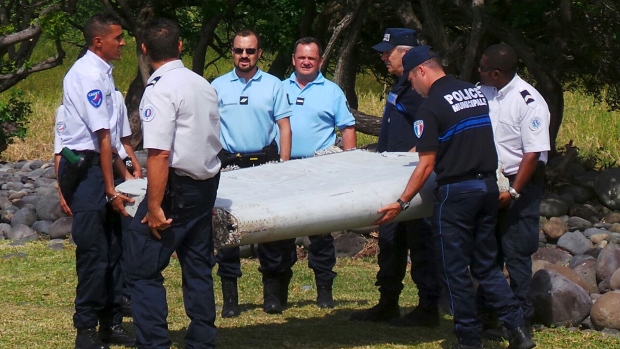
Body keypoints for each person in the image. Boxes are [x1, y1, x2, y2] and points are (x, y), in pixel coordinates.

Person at [375, 45, 536, 349]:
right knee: (487, 267)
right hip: (488, 188)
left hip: (456, 195)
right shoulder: (474, 93)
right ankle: (518, 330)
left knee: (454, 271)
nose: (414, 88)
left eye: (411, 80)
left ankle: (468, 339)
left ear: (421, 70)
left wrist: (401, 202)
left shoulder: (430, 106)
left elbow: (426, 165)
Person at [123, 18, 222, 348]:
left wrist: (153, 206)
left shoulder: (159, 89)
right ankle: (202, 340)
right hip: (205, 185)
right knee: (197, 266)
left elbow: (160, 154)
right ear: (181, 46)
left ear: (144, 50)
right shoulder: (203, 84)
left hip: (175, 190)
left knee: (140, 267)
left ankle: (153, 342)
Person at [349, 28, 441, 327]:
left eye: (389, 52)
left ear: (408, 52)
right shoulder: (402, 86)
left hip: (411, 180)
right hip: (390, 180)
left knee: (420, 244)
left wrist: (410, 159)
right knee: (390, 244)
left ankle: (427, 307)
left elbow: (430, 132)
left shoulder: (418, 89)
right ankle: (387, 302)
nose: (384, 58)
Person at [55, 13, 135, 349]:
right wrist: (108, 188)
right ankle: (85, 329)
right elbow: (101, 139)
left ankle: (111, 322)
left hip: (102, 164)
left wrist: (126, 174)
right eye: (117, 37)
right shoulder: (87, 75)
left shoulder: (105, 75)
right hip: (86, 169)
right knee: (93, 251)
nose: (123, 42)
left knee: (115, 247)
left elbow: (115, 142)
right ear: (98, 42)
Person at [210, 29, 293, 317]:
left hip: (266, 163)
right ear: (231, 52)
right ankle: (231, 299)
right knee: (228, 233)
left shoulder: (273, 85)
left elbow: (284, 126)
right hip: (230, 165)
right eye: (238, 50)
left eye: (250, 51)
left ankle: (270, 296)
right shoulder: (217, 86)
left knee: (268, 232)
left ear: (259, 53)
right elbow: (208, 128)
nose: (243, 56)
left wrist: (284, 163)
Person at [477, 43, 550, 333]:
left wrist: (514, 192)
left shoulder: (528, 101)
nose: (477, 71)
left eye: (482, 68)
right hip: (489, 180)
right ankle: (488, 315)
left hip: (519, 183)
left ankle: (521, 320)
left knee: (517, 253)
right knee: (487, 251)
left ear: (496, 73)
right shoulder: (483, 92)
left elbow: (532, 154)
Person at [283, 37, 356, 308]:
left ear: (320, 61)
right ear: (293, 59)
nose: (305, 62)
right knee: (282, 232)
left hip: (319, 169)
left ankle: (324, 290)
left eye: (311, 58)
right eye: (301, 57)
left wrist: (348, 167)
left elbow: (347, 128)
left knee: (321, 236)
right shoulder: (280, 88)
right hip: (285, 169)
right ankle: (278, 293)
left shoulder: (332, 91)